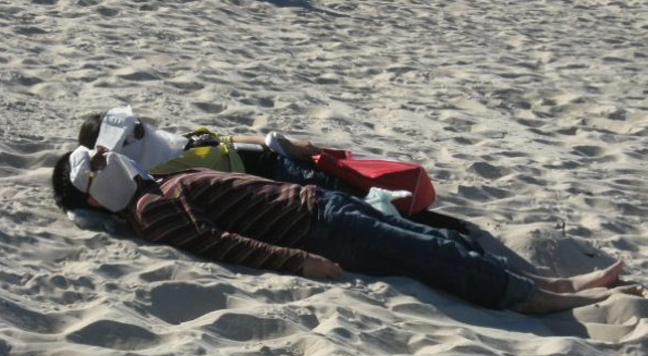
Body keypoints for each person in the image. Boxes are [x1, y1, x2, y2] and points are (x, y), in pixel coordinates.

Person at [51, 146, 646, 314]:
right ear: (94, 196)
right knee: (435, 257)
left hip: (320, 206)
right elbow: (215, 242)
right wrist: (296, 261)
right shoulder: (150, 210)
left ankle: (554, 284)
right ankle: (539, 300)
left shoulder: (154, 184)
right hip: (317, 231)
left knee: (439, 242)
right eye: (98, 165)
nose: (111, 158)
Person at [76, 106, 470, 233]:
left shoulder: (169, 146)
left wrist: (280, 142)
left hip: (280, 161)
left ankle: (441, 225)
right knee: (366, 204)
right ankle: (446, 231)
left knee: (367, 187)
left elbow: (226, 141)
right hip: (280, 182)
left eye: (138, 123)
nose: (143, 126)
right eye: (134, 129)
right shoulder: (156, 174)